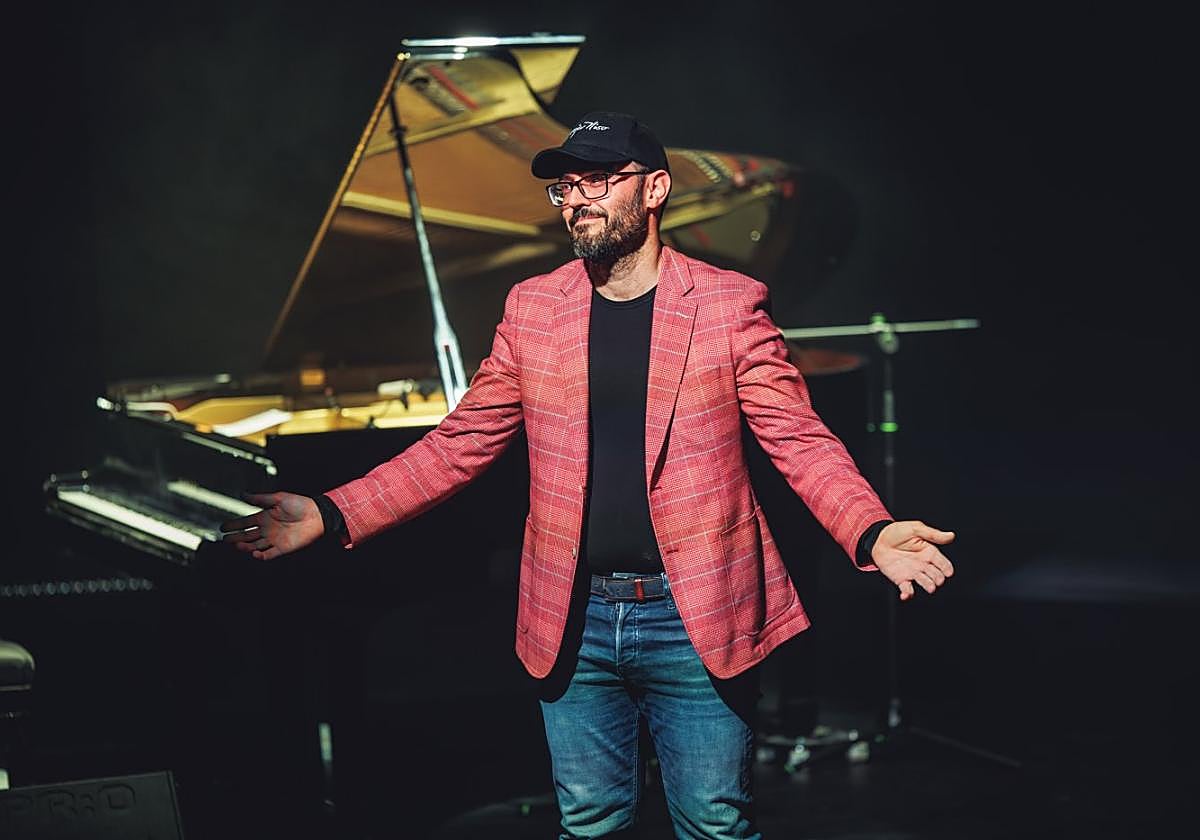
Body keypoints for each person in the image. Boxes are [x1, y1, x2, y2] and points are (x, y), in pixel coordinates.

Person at [222, 111, 955, 840]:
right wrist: (333, 510)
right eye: (567, 186)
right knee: (590, 825)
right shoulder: (535, 309)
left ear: (656, 188)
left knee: (713, 825)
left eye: (601, 180)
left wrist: (872, 528)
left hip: (695, 614)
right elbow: (459, 443)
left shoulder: (730, 307)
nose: (578, 198)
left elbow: (798, 437)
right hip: (573, 617)